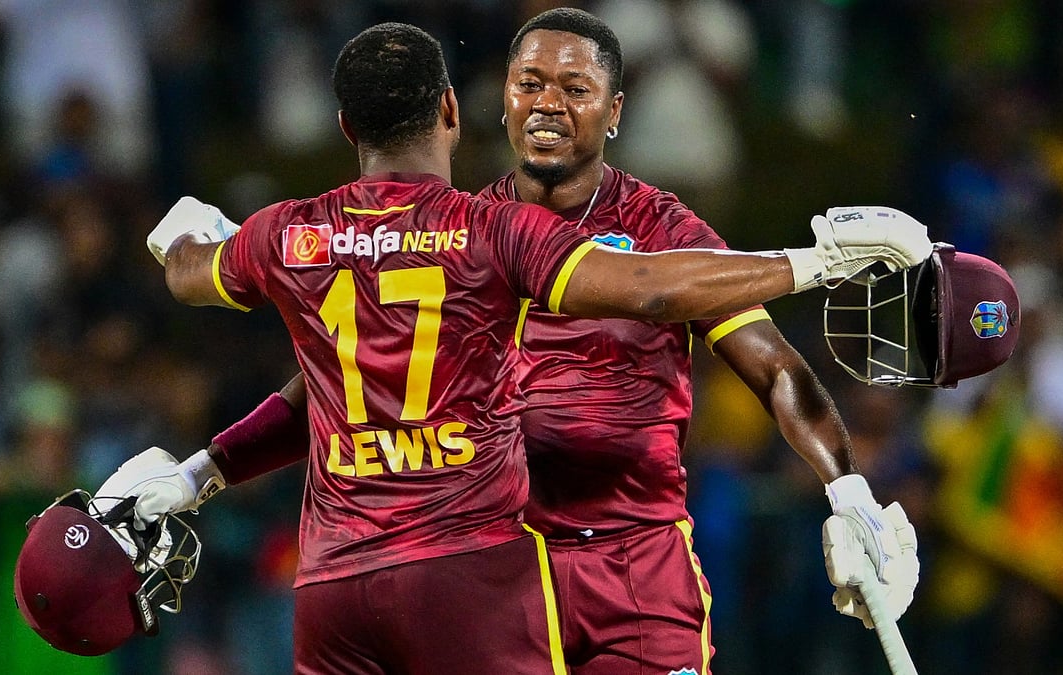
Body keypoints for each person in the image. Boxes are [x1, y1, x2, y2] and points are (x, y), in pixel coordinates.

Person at [94, 21, 929, 674]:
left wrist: (847, 488)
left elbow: (774, 364)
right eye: (530, 82)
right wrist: (208, 469)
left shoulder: (665, 231)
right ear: (487, 103)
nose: (549, 103)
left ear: (615, 109)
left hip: (634, 565)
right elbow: (330, 390)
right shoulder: (477, 228)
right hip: (498, 572)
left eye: (576, 86)